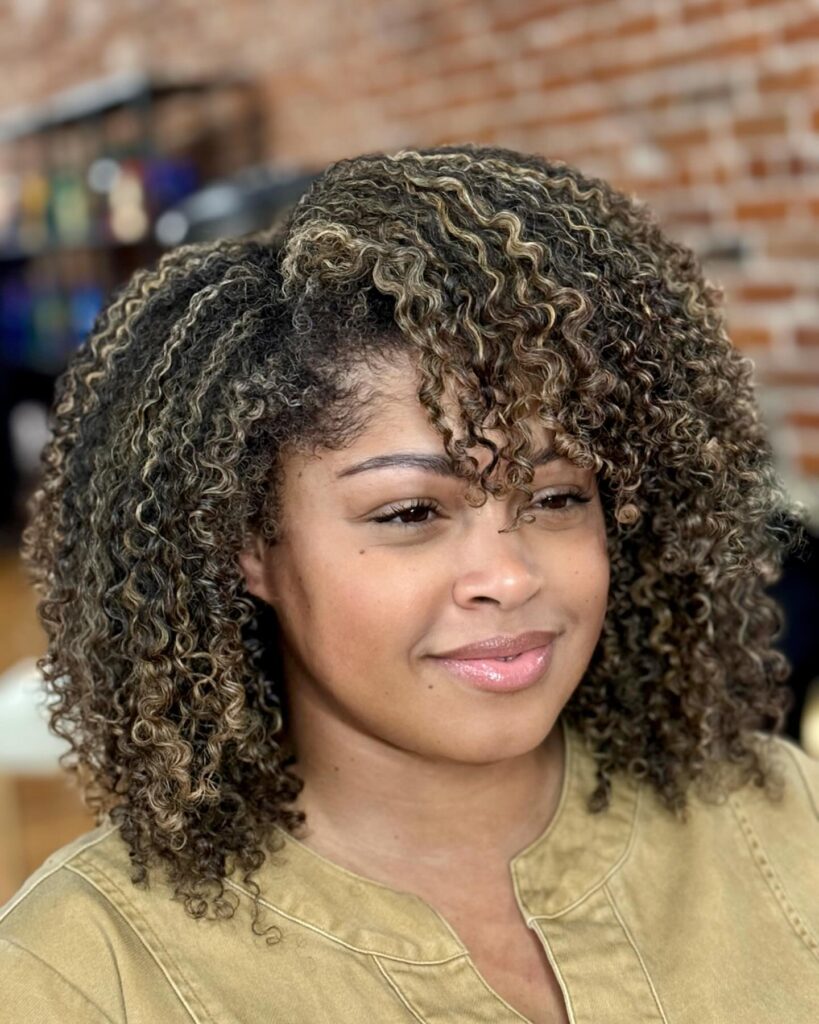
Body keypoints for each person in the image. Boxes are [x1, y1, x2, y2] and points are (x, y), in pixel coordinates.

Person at [1, 144, 817, 1024]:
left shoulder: (777, 820)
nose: (507, 575)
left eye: (554, 497)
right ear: (246, 544)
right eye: (409, 514)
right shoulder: (84, 980)